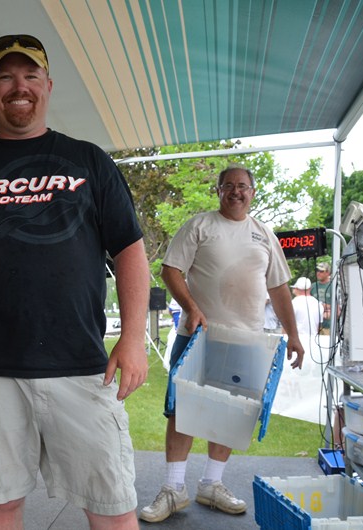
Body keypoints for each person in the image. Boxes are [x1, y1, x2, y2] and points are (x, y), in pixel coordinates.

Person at [0, 34, 150, 530]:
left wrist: (133, 338)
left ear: (48, 86)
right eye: (6, 76)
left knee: (113, 506)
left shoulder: (89, 161)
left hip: (80, 363)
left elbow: (130, 252)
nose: (19, 87)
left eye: (30, 75)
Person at [139, 165, 304, 523]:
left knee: (232, 413)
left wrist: (293, 334)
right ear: (218, 191)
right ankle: (173, 488)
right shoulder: (199, 226)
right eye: (228, 185)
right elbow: (171, 270)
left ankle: (211, 484)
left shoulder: (265, 235)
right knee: (182, 411)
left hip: (247, 340)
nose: (235, 191)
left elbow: (278, 288)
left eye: (242, 186)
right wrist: (192, 308)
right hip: (198, 336)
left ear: (252, 193)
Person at [311, 261, 332, 334]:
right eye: (317, 270)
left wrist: (324, 306)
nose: (318, 273)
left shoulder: (333, 286)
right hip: (315, 325)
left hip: (328, 326)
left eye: (321, 271)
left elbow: (338, 307)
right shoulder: (312, 286)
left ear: (328, 273)